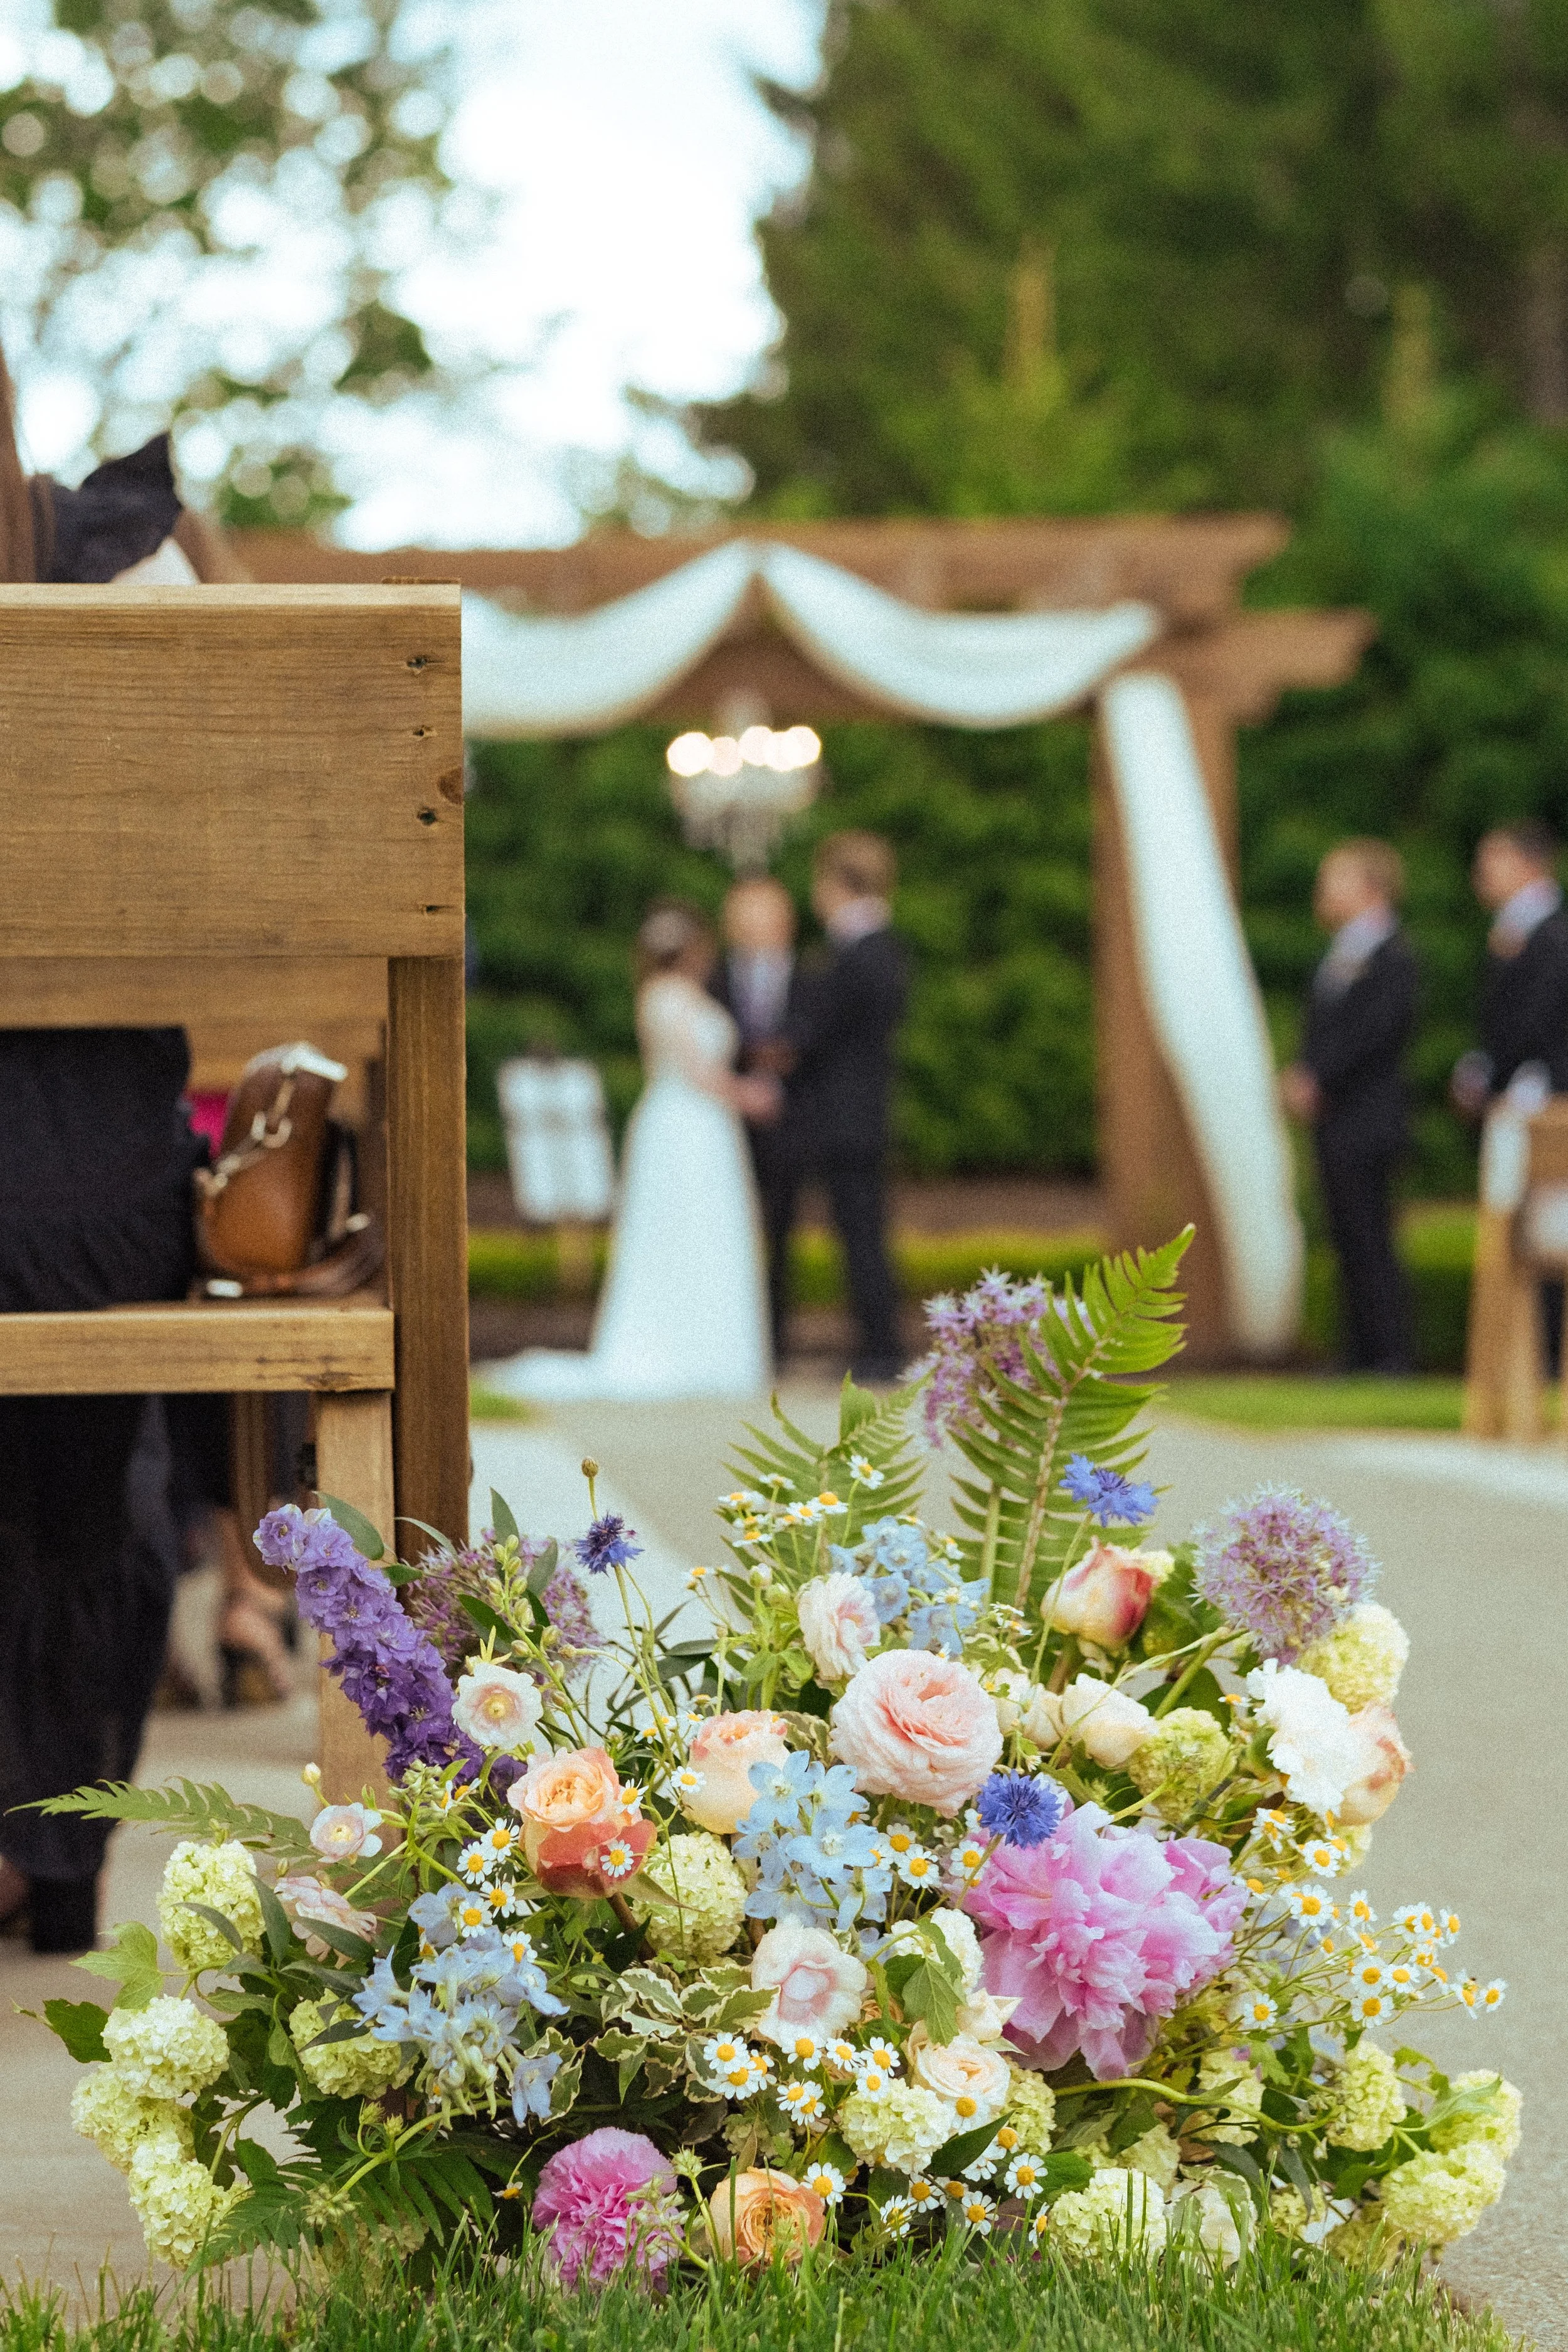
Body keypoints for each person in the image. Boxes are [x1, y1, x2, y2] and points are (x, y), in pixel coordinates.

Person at [0, 356, 242, 1953]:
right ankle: (56, 1847)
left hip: (61, 1164)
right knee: (88, 1499)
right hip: (88, 1179)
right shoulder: (125, 544)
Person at [494, 902, 776, 1401]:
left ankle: (710, 1351)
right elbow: (696, 1071)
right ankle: (685, 1349)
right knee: (682, 1229)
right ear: (693, 948)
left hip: (697, 1126)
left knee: (704, 1229)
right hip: (684, 1124)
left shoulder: (670, 994)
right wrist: (746, 1094)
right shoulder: (667, 996)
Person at [765, 832, 910, 1384]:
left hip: (847, 1120)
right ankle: (875, 1346)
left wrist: (784, 1048)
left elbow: (821, 1032)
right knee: (862, 1234)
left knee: (863, 1236)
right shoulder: (878, 949)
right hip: (858, 1117)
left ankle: (880, 1351)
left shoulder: (864, 952)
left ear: (839, 885)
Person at [1279, 840, 1418, 1375]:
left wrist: (1318, 1077)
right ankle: (1357, 1353)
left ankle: (1391, 1356)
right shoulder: (1339, 953)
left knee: (1373, 1237)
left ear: (1369, 888)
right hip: (1336, 1119)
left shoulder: (1394, 956)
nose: (1323, 892)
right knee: (1345, 1237)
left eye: (1333, 880)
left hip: (1369, 1120)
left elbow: (1375, 1034)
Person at [1450, 819, 1568, 1372]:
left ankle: (1544, 1359)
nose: (1482, 872)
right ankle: (1523, 1360)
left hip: (1547, 1109)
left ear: (1527, 864)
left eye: (1492, 858)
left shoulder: (1551, 934)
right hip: (1516, 1102)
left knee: (1545, 1235)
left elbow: (1539, 1024)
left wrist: (1502, 1081)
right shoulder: (1513, 931)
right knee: (1521, 1235)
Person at [709, 876, 800, 1362]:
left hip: (789, 1128)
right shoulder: (714, 978)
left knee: (780, 1233)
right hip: (727, 1129)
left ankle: (775, 1342)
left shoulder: (809, 974)